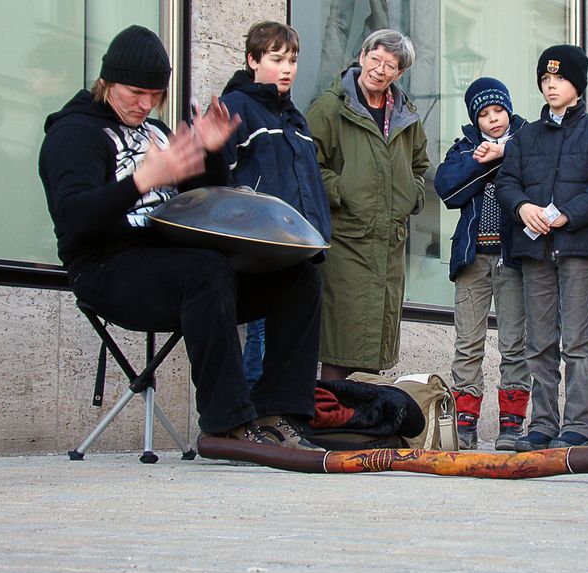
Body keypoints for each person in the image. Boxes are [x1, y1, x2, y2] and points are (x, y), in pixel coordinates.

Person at [38, 24, 322, 452]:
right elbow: (74, 218)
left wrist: (209, 151)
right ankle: (226, 424)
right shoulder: (74, 133)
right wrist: (140, 181)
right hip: (107, 268)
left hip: (177, 267)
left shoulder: (158, 132)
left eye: (155, 96)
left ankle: (277, 411)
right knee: (205, 269)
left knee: (299, 277)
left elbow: (203, 204)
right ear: (107, 81)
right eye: (135, 93)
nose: (145, 104)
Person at [496, 45, 588, 451]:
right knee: (539, 342)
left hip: (577, 249)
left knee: (577, 340)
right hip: (534, 251)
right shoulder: (525, 136)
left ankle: (581, 425)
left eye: (560, 79)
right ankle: (543, 424)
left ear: (578, 85)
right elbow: (506, 183)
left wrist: (567, 213)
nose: (551, 85)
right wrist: (523, 206)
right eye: (545, 79)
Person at [306, 29, 430, 381]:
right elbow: (308, 164)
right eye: (375, 59)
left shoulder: (406, 115)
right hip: (347, 238)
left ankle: (361, 427)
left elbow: (420, 165)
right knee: (342, 340)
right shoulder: (332, 107)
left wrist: (413, 195)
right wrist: (341, 190)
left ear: (399, 73)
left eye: (389, 65)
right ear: (362, 57)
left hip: (389, 244)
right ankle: (331, 425)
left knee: (374, 341)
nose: (379, 69)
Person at [219, 21, 331, 388]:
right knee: (262, 332)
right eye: (277, 58)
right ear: (252, 60)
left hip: (296, 244)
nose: (287, 68)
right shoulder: (235, 106)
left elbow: (308, 181)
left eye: (293, 60)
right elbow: (216, 178)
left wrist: (317, 234)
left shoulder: (294, 116)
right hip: (258, 245)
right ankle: (254, 414)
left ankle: (276, 415)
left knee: (287, 332)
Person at [433, 77, 530, 451]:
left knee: (514, 344)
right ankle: (465, 421)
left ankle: (512, 423)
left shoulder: (527, 141)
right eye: (484, 114)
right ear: (475, 119)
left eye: (498, 111)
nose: (493, 119)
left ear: (508, 109)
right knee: (468, 343)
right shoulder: (465, 148)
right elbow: (447, 188)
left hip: (513, 259)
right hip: (472, 259)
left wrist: (504, 152)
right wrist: (487, 161)